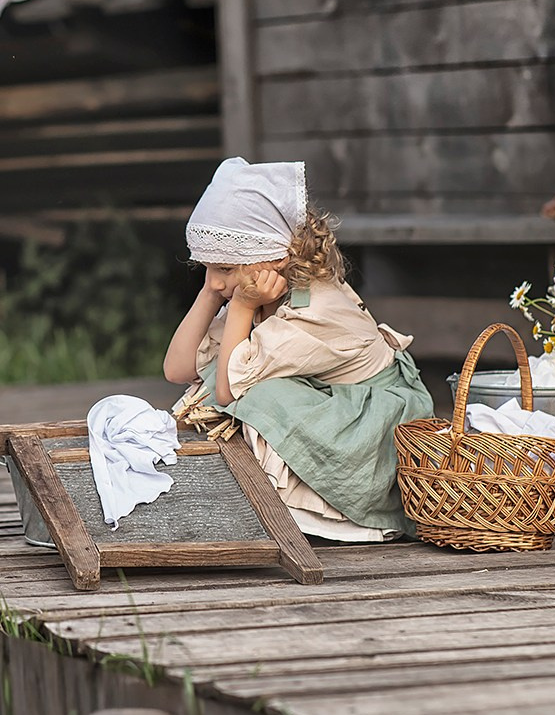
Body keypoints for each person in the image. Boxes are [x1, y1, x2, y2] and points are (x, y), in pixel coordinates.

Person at [163, 158, 432, 542]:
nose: (214, 281)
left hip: (373, 428)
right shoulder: (260, 291)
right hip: (334, 405)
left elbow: (227, 391)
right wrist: (210, 293)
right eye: (207, 268)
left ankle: (317, 516)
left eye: (223, 269)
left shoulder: (313, 310)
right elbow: (177, 369)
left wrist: (239, 307)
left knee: (258, 396)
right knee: (229, 381)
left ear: (275, 258)